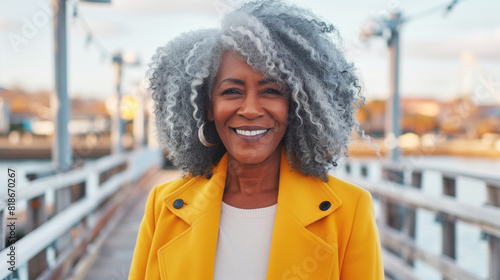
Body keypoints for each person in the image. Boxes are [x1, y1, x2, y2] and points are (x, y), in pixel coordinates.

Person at [129, 1, 384, 279]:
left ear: (298, 104)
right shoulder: (163, 206)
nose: (250, 109)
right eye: (231, 92)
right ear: (207, 107)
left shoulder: (349, 210)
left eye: (271, 91)